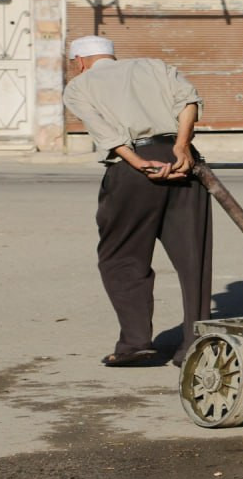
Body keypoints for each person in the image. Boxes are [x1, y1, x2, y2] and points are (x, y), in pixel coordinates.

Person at [62, 35, 212, 367]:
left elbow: (105, 132)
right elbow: (189, 101)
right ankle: (195, 343)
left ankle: (135, 342)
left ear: (80, 61)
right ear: (111, 55)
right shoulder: (154, 66)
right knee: (194, 258)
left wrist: (138, 162)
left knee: (121, 255)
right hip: (183, 162)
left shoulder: (79, 85)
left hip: (133, 170)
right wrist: (182, 147)